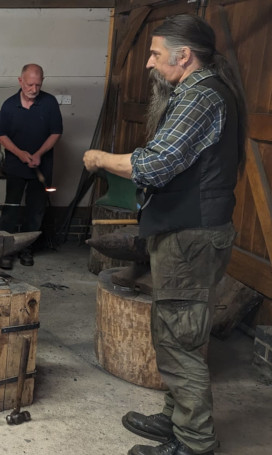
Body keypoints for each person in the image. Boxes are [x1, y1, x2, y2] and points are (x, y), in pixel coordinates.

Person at [83, 14, 246, 455]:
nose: (149, 63)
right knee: (174, 331)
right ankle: (177, 418)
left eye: (155, 54)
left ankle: (195, 443)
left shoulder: (202, 98)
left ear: (184, 55)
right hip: (187, 232)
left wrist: (101, 158)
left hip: (191, 237)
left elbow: (156, 164)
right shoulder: (198, 90)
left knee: (180, 340)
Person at [0, 63, 63, 269]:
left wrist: (39, 154)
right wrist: (20, 154)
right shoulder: (9, 105)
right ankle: (6, 252)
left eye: (38, 85)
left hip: (41, 166)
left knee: (35, 210)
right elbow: (1, 135)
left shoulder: (49, 103)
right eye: (29, 85)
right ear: (20, 81)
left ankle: (27, 250)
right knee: (11, 209)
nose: (34, 90)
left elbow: (56, 133)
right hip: (16, 166)